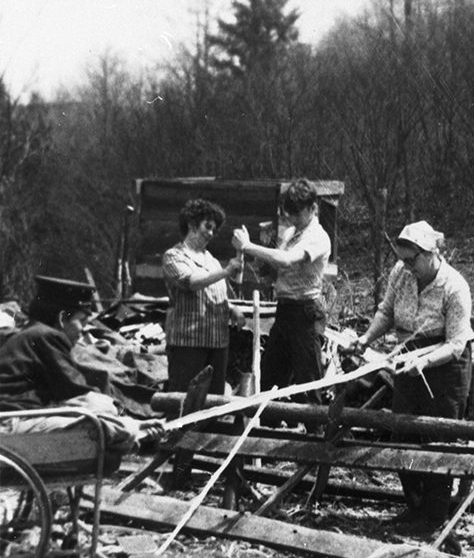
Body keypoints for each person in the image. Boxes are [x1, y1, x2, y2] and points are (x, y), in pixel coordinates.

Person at [348, 221, 473, 532]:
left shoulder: (454, 287)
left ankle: (435, 516)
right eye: (402, 260)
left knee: (438, 439)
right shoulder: (400, 273)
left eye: (411, 260)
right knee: (402, 432)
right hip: (408, 356)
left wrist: (426, 361)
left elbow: (457, 344)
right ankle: (415, 507)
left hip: (445, 364)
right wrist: (366, 339)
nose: (406, 266)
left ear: (430, 253)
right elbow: (387, 313)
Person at [0, 276, 164, 458]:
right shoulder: (46, 336)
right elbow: (77, 391)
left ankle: (132, 430)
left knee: (102, 413)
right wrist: (125, 418)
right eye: (82, 321)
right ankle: (136, 433)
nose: (83, 330)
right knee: (102, 409)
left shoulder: (29, 332)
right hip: (11, 422)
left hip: (13, 418)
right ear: (62, 318)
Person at [232, 178, 331, 405]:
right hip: (285, 309)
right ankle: (268, 429)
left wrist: (248, 246)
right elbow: (277, 271)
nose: (292, 218)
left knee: (309, 381)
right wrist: (262, 264)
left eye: (297, 213)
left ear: (313, 208)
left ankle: (315, 434)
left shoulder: (318, 237)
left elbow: (286, 260)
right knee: (271, 376)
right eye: (289, 213)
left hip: (305, 312)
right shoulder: (291, 234)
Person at [163, 198, 246, 396]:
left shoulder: (212, 262)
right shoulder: (174, 256)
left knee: (213, 403)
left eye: (214, 230)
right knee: (183, 402)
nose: (211, 234)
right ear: (192, 224)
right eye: (207, 227)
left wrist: (232, 308)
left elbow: (216, 295)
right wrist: (227, 271)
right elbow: (192, 282)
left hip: (217, 343)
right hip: (188, 344)